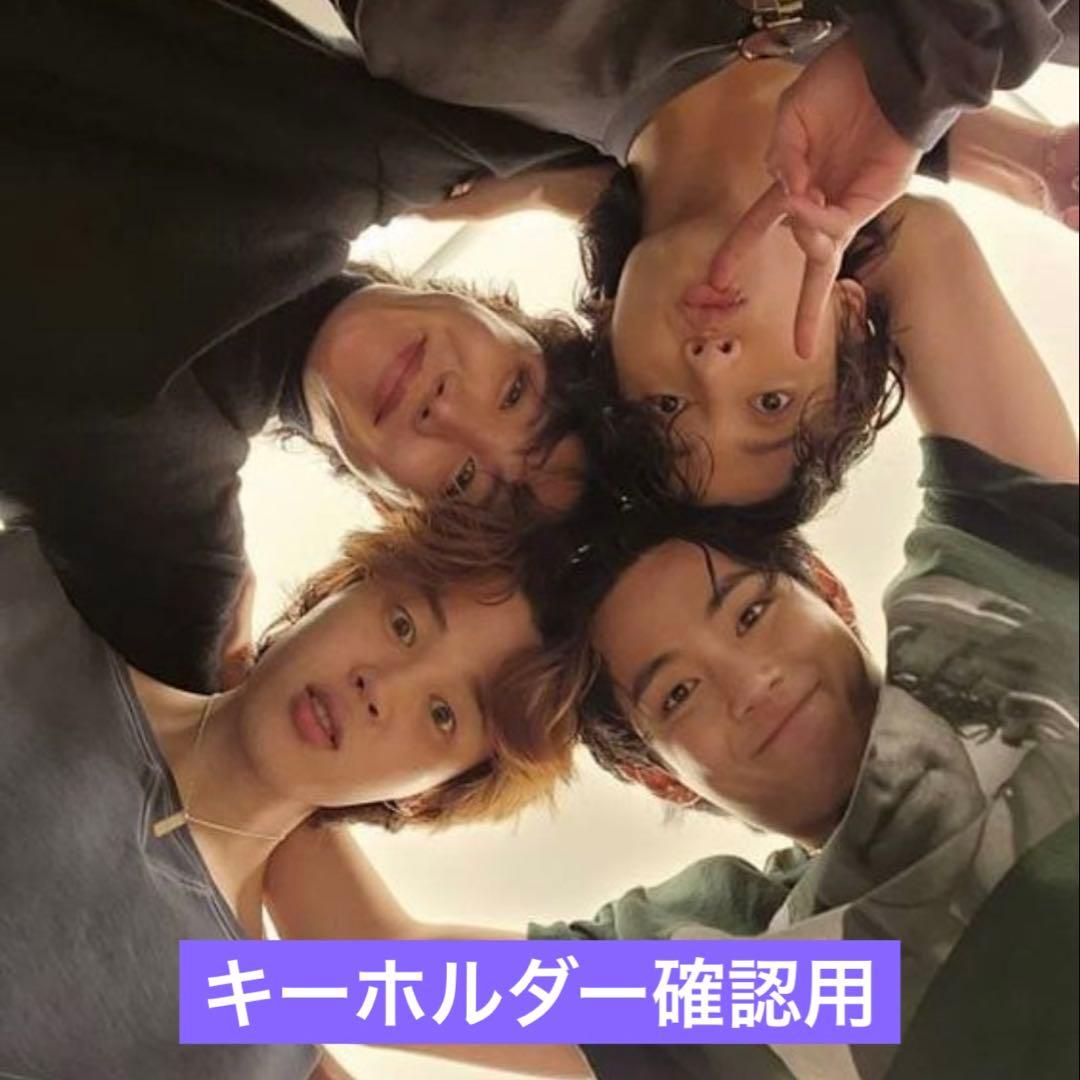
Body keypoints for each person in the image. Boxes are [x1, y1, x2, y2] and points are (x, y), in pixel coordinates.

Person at [506, 194, 1077, 1078]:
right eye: (677, 693)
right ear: (661, 774)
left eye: (749, 613)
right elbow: (329, 980)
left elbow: (909, 247)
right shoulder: (776, 984)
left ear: (832, 595)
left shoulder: (998, 629)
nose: (749, 680)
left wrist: (646, 242)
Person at [1, 0, 600, 692]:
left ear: (396, 507)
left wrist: (218, 696)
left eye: (466, 481)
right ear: (504, 314)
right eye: (516, 392)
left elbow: (142, 736)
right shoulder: (353, 151)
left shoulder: (171, 537)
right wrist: (545, 187)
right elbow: (662, 157)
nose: (446, 411)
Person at [346, 0, 1077, 513]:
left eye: (666, 406)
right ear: (850, 317)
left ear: (608, 329)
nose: (710, 362)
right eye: (770, 402)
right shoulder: (1016, 31)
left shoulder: (445, 30)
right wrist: (923, 90)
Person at [0, 506, 574, 1080]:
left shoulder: (243, 1042)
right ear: (338, 588)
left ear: (430, 795)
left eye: (442, 713)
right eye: (403, 625)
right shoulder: (27, 607)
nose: (380, 686)